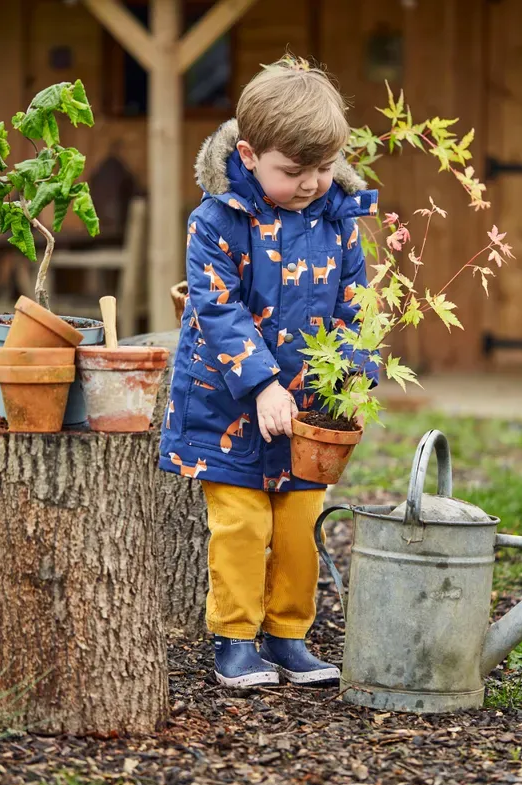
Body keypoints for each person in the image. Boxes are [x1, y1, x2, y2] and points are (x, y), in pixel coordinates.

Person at [159, 55, 379, 688]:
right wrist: (259, 384)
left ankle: (288, 635)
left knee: (299, 524)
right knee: (240, 522)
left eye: (323, 167)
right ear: (250, 155)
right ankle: (234, 639)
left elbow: (353, 306)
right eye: (294, 171)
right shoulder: (217, 219)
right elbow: (216, 308)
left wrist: (349, 383)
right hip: (226, 405)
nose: (311, 183)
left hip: (307, 412)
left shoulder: (339, 220)